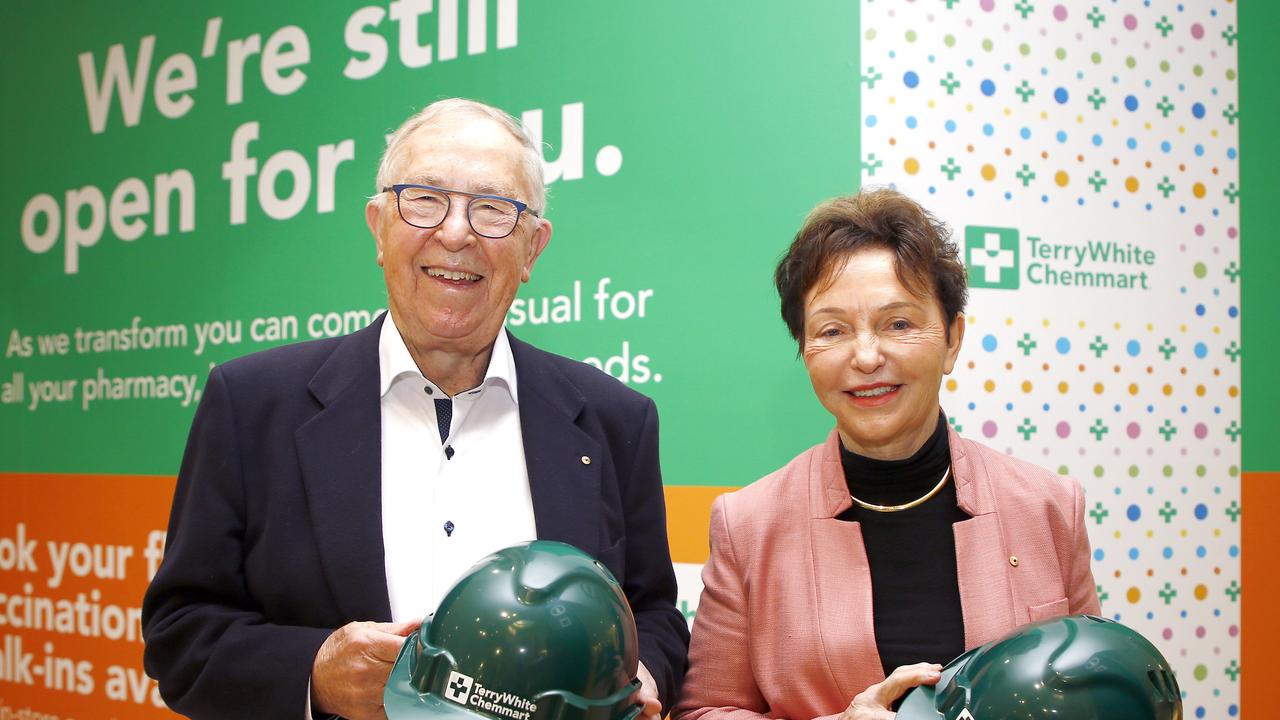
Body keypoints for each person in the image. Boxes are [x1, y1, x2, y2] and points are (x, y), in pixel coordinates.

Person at [142, 98, 689, 720]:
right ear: (378, 226)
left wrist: (637, 673)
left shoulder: (615, 420)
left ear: (533, 249)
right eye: (425, 199)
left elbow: (655, 614)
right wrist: (315, 673)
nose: (455, 233)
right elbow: (180, 634)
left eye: (492, 209)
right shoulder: (251, 404)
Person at [672, 189, 1099, 720]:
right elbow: (706, 710)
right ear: (804, 349)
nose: (868, 356)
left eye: (899, 323)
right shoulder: (748, 524)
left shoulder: (1049, 506)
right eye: (833, 330)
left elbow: (1090, 691)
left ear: (952, 339)